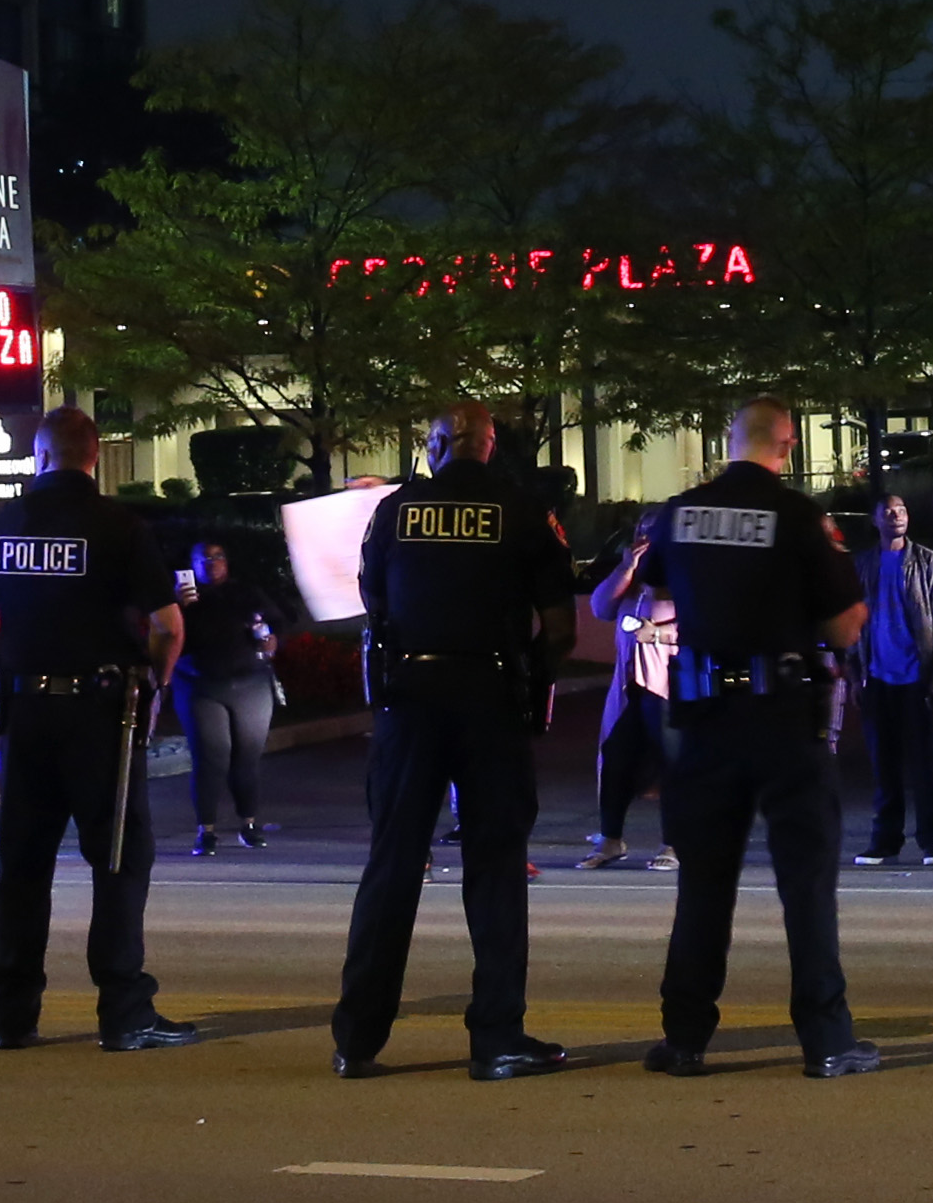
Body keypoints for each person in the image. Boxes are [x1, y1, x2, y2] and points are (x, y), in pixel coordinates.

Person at [331, 399, 578, 1082]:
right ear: (490, 446)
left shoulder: (393, 511)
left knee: (392, 863)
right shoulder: (525, 511)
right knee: (495, 867)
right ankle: (497, 1035)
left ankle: (357, 1038)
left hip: (410, 697)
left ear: (435, 445)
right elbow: (558, 625)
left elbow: (372, 602)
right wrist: (532, 681)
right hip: (491, 698)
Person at [640, 400, 881, 1081]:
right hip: (781, 717)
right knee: (805, 884)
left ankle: (684, 1038)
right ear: (789, 442)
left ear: (726, 440)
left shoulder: (680, 511)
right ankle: (826, 1041)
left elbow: (655, 584)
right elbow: (842, 628)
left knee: (703, 882)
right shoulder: (801, 516)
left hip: (703, 717)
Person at [0, 403, 197, 1050]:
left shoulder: (6, 521)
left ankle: (12, 1015)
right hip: (101, 716)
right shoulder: (118, 525)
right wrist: (158, 682)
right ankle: (123, 1012)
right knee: (117, 858)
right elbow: (168, 624)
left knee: (23, 866)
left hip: (24, 717)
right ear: (93, 456)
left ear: (38, 456)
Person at [849, 491, 933, 866]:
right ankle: (886, 840)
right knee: (885, 765)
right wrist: (853, 673)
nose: (895, 516)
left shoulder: (927, 562)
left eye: (901, 510)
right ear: (875, 520)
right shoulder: (864, 565)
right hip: (877, 677)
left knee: (927, 765)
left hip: (919, 676)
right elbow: (852, 623)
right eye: (887, 511)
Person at [582, 516, 679, 867]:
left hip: (669, 688)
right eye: (641, 532)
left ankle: (673, 844)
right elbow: (600, 606)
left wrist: (660, 634)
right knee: (615, 760)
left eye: (653, 533)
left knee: (673, 764)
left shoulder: (684, 575)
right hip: (628, 688)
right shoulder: (632, 583)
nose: (645, 540)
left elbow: (706, 625)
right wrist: (626, 568)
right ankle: (610, 839)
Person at [176, 535, 282, 855]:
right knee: (211, 758)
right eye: (204, 559)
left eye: (218, 556)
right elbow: (163, 635)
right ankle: (205, 830)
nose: (213, 563)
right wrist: (177, 608)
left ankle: (248, 824)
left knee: (247, 758)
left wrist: (271, 640)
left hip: (250, 684)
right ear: (192, 566)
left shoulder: (245, 593)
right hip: (200, 686)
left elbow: (275, 624)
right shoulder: (182, 601)